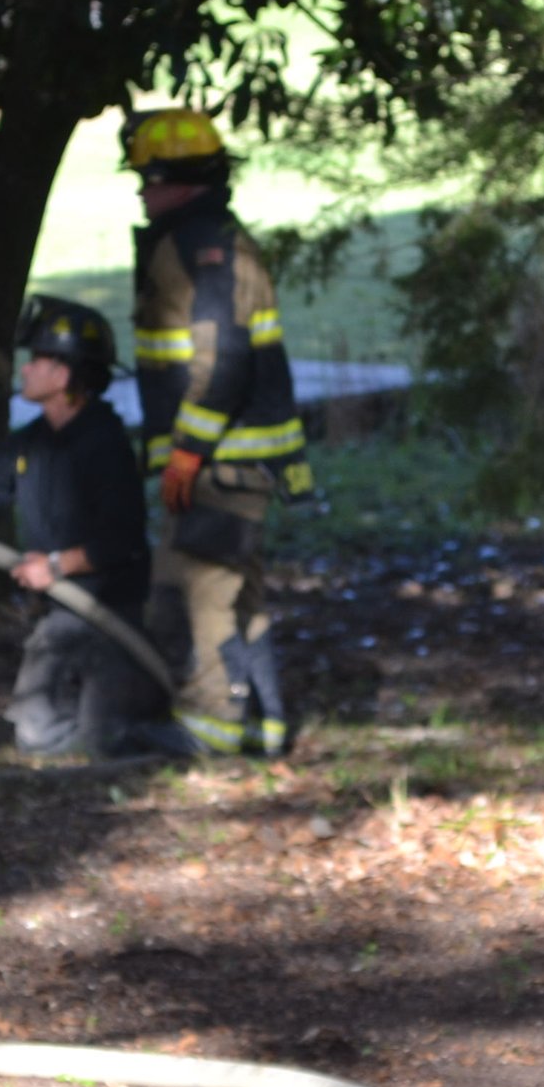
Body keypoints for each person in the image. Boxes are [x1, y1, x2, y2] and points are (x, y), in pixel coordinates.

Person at [122, 107, 313, 757]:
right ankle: (264, 721)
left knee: (200, 592)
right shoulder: (214, 239)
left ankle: (208, 726)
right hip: (237, 462)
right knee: (240, 595)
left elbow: (223, 360)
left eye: (150, 178)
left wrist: (185, 453)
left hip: (218, 464)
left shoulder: (200, 247)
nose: (142, 191)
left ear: (183, 180)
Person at [0, 295, 164, 756]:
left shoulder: (105, 446)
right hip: (61, 617)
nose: (24, 370)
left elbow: (122, 540)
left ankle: (145, 724)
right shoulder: (32, 444)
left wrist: (57, 566)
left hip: (110, 612)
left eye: (36, 361)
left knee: (107, 740)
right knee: (36, 735)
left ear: (63, 376)